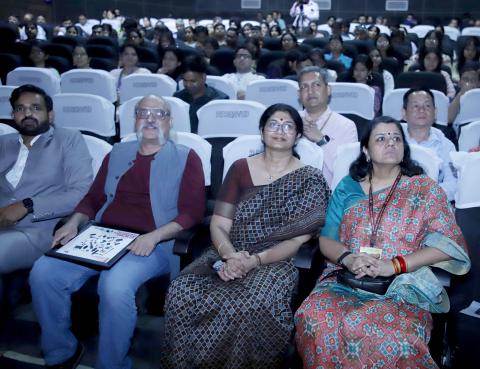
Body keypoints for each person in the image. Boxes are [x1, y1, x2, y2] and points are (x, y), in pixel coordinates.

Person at [29, 95, 205, 369]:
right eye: (143, 113)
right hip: (100, 236)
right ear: (134, 120)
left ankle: (112, 363)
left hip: (151, 242)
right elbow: (93, 198)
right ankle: (61, 351)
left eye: (158, 114)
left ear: (170, 122)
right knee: (44, 272)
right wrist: (74, 222)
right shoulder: (117, 154)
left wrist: (155, 236)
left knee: (114, 286)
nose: (150, 119)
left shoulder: (186, 158)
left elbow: (192, 212)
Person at [162, 103, 330, 369]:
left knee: (249, 303)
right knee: (183, 290)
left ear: (298, 135)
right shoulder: (240, 168)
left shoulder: (309, 178)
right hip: (227, 249)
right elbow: (218, 223)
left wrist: (254, 261)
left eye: (288, 125)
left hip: (275, 259)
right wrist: (229, 255)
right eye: (274, 123)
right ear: (262, 131)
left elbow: (298, 240)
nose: (280, 130)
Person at [295, 115, 470, 369]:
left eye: (396, 138)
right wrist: (349, 258)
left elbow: (448, 245)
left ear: (404, 148)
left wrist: (394, 265)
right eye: (381, 138)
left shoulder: (424, 189)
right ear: (366, 150)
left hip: (402, 287)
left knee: (387, 336)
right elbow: (327, 239)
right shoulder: (348, 187)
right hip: (345, 279)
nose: (390, 143)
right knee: (314, 319)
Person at [0, 84, 92, 307]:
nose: (28, 114)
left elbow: (81, 193)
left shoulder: (68, 140)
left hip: (36, 230)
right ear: (13, 115)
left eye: (35, 108)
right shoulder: (4, 143)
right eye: (20, 109)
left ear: (50, 114)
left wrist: (28, 204)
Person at [298, 66, 357, 186]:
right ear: (299, 94)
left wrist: (321, 140)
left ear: (328, 90)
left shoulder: (346, 126)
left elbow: (348, 172)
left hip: (330, 196)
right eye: (304, 87)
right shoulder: (291, 122)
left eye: (316, 85)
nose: (310, 91)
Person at [402, 88, 457, 201]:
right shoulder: (392, 139)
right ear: (404, 113)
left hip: (434, 205)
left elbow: (454, 184)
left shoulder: (447, 145)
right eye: (415, 106)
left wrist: (426, 195)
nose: (422, 110)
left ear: (435, 112)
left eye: (427, 106)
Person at [174, 55, 228, 133]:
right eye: (185, 80)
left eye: (193, 81)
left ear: (204, 77)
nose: (188, 85)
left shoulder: (220, 100)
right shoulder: (177, 98)